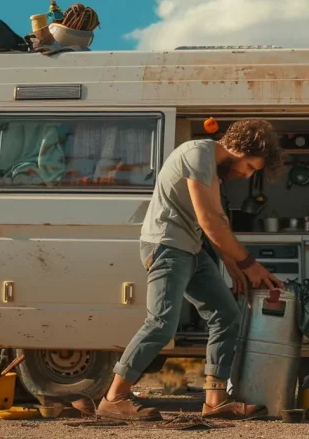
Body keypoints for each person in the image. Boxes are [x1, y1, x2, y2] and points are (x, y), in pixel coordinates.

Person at [96, 119, 286, 421]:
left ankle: (214, 402)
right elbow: (209, 220)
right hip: (167, 246)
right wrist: (249, 264)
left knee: (226, 315)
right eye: (249, 167)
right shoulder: (197, 154)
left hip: (191, 249)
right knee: (161, 323)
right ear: (237, 148)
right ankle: (113, 398)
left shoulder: (211, 166)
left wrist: (229, 261)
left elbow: (217, 219)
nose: (247, 175)